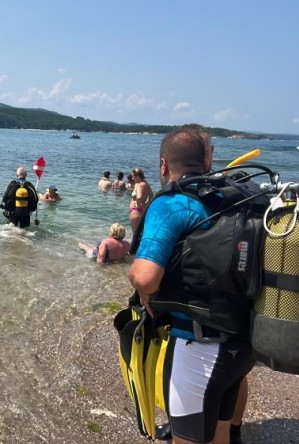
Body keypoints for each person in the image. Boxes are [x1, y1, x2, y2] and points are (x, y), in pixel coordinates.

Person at [128, 127, 254, 444]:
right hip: (243, 341)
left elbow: (145, 276)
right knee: (221, 432)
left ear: (163, 165)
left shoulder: (173, 203)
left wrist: (141, 288)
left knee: (187, 438)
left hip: (199, 349)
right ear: (207, 161)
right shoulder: (235, 196)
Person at [128, 168, 152, 233]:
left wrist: (138, 205)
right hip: (141, 211)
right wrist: (145, 205)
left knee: (135, 234)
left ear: (138, 176)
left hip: (136, 211)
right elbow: (152, 196)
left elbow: (139, 197)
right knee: (141, 233)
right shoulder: (146, 184)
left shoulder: (139, 185)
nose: (132, 178)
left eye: (133, 176)